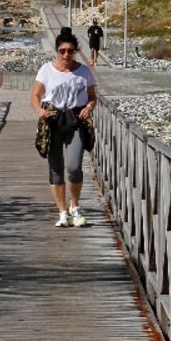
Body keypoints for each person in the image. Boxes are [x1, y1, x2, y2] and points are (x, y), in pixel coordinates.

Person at [30, 29, 98, 227]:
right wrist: (39, 111)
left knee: (74, 166)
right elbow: (35, 96)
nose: (66, 55)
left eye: (70, 50)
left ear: (75, 50)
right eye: (62, 51)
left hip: (76, 120)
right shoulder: (46, 70)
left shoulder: (84, 71)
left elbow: (93, 97)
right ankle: (62, 211)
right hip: (52, 120)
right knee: (56, 168)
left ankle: (75, 206)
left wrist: (89, 107)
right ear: (57, 51)